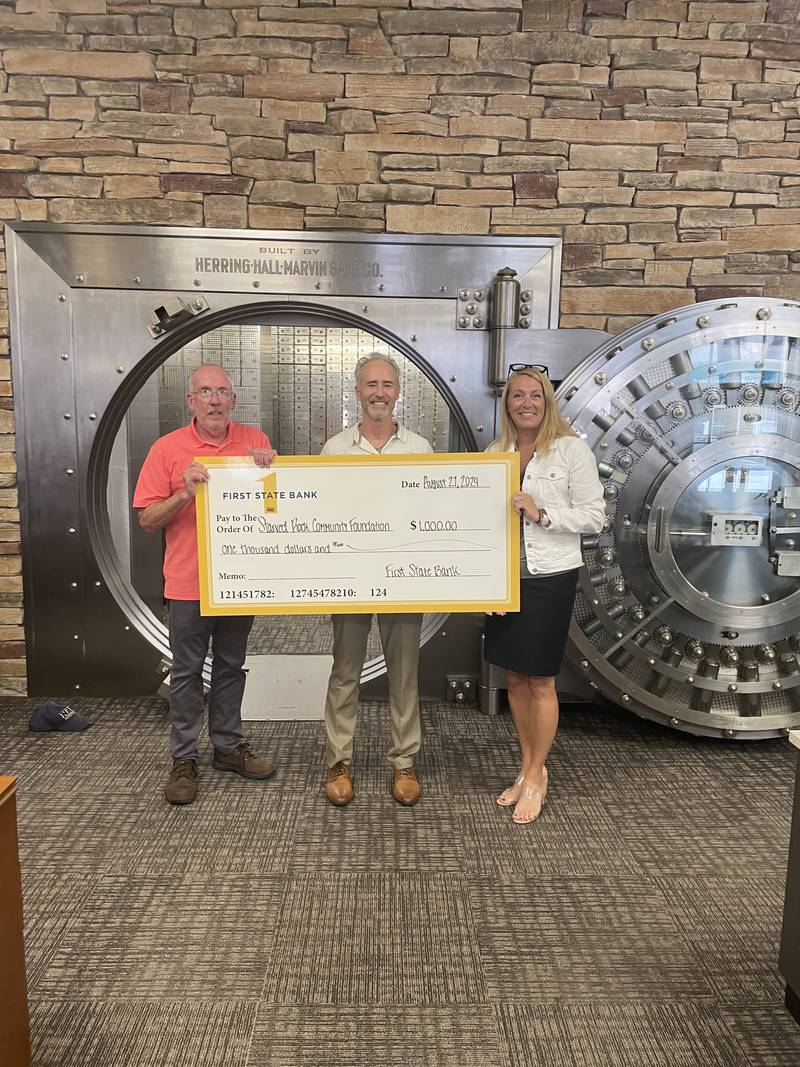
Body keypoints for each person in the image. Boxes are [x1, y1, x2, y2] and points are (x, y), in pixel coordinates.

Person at [133, 363, 277, 805]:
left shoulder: (256, 442)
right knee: (187, 672)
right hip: (187, 584)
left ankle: (228, 748)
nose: (215, 400)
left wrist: (268, 476)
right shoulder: (167, 449)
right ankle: (183, 758)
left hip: (239, 581)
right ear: (191, 401)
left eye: (222, 391)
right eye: (205, 392)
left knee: (232, 666)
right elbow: (146, 520)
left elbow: (276, 513)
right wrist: (182, 491)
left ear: (233, 400)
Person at [485, 365, 605, 825]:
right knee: (513, 680)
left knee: (540, 681)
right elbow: (482, 523)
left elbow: (595, 516)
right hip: (505, 581)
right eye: (518, 396)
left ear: (547, 401)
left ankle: (537, 774)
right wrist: (484, 583)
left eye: (535, 395)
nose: (526, 403)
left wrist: (542, 513)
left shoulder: (571, 450)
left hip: (550, 577)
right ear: (508, 404)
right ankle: (526, 764)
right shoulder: (496, 451)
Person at [320, 353, 432, 808]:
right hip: (351, 574)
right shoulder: (334, 449)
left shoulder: (420, 449)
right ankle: (338, 760)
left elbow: (432, 513)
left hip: (403, 577)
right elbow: (321, 513)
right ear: (357, 392)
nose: (379, 393)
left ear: (398, 392)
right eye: (371, 385)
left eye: (387, 384)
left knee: (404, 674)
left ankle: (404, 762)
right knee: (345, 671)